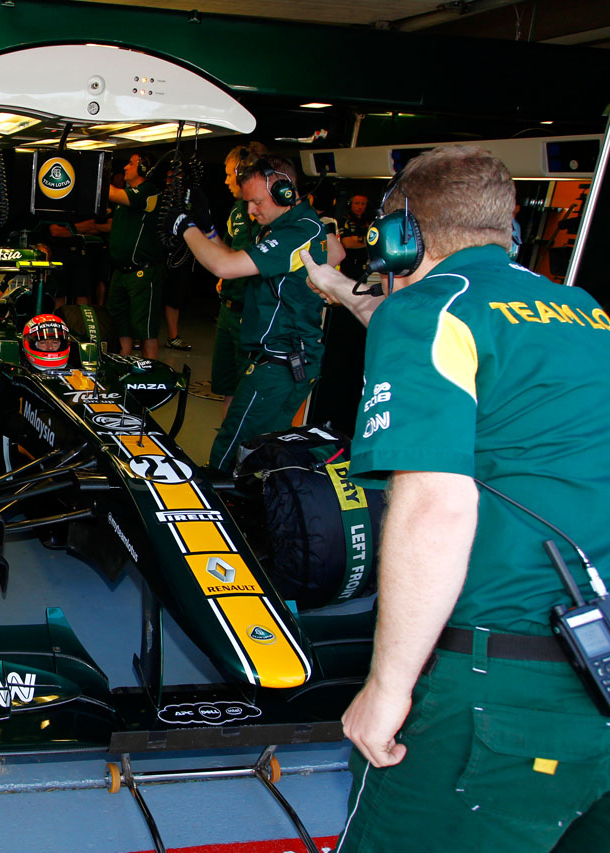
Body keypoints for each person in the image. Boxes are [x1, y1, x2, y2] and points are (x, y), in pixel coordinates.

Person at [298, 145, 610, 852]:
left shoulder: (429, 313)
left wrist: (389, 687)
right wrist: (345, 293)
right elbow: (450, 351)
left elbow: (437, 507)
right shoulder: (584, 311)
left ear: (400, 234)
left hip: (500, 683)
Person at [171, 154, 332, 473]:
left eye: (257, 201)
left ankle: (218, 506)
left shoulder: (296, 233)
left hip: (281, 361)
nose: (251, 210)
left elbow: (223, 266)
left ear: (285, 192)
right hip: (278, 357)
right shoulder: (292, 226)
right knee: (255, 446)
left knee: (232, 446)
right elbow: (238, 261)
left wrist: (184, 228)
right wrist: (207, 231)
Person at [209, 142, 267, 413]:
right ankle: (225, 451)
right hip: (228, 311)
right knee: (227, 389)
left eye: (229, 173)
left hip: (252, 316)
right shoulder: (236, 211)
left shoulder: (270, 215)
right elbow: (229, 252)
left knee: (248, 393)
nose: (225, 180)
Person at [106, 152, 166, 358]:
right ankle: (121, 369)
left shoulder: (147, 192)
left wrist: (92, 175)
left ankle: (151, 376)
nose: (125, 168)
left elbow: (112, 194)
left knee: (146, 330)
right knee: (119, 327)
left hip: (142, 272)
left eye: (130, 164)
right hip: (120, 273)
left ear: (143, 169)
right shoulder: (128, 194)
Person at [338, 192, 372, 280]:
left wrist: (357, 239)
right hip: (348, 265)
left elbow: (375, 241)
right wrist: (366, 241)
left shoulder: (369, 221)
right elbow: (347, 243)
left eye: (363, 204)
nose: (360, 207)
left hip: (364, 265)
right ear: (350, 204)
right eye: (357, 203)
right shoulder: (344, 220)